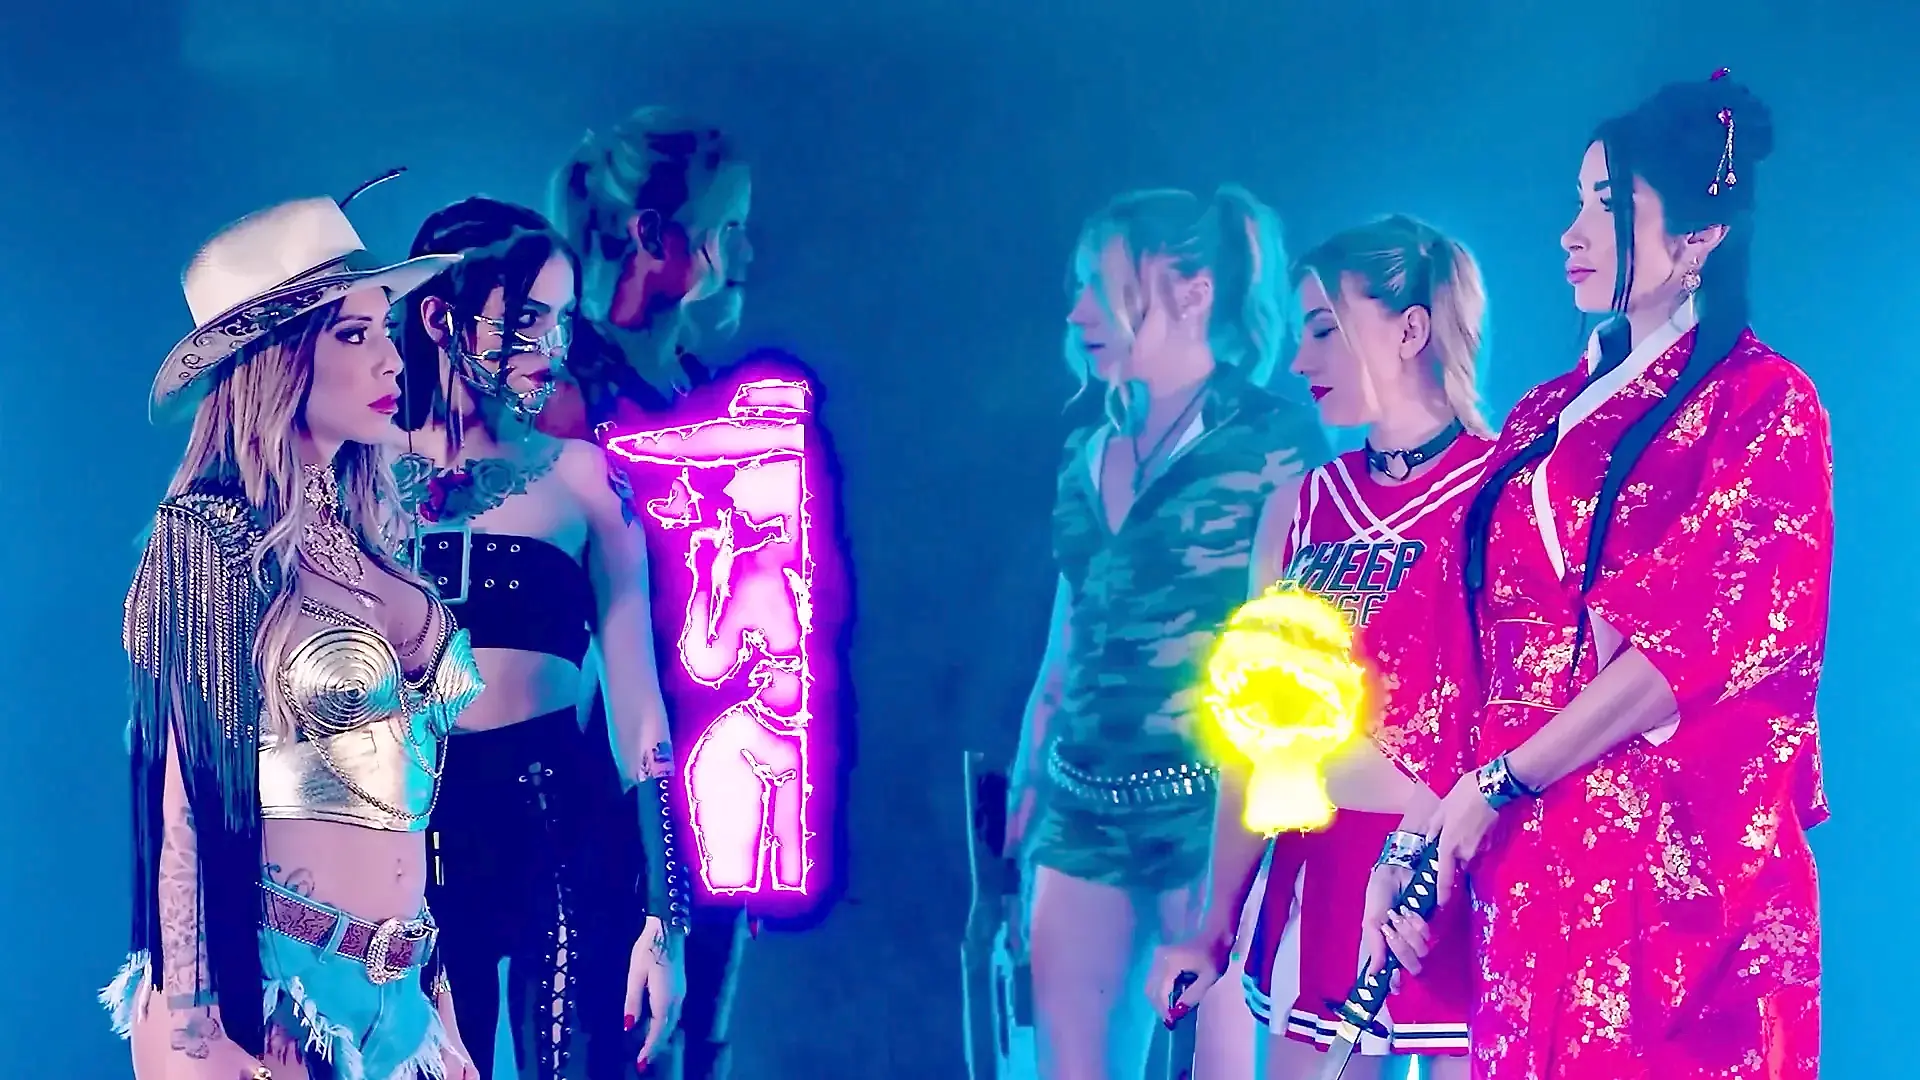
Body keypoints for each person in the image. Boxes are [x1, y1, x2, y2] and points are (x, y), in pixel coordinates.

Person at [1402, 73, 1831, 1079]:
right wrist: (1418, 840)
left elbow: (1689, 650)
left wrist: (1496, 784)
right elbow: (1472, 653)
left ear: (1699, 237)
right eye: (1576, 201)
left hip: (1675, 886)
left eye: (1608, 204)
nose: (1572, 232)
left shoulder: (1764, 407)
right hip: (1525, 863)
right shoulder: (1540, 416)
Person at [100, 193, 484, 1080]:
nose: (391, 357)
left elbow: (416, 807)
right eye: (353, 334)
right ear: (279, 359)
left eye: (384, 328)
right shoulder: (207, 539)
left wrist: (442, 1011)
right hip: (274, 997)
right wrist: (196, 1019)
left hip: (405, 1001)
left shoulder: (372, 544)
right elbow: (183, 795)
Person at [1146, 215, 1494, 1080]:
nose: (1300, 361)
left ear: (1410, 329)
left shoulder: (1507, 488)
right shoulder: (1299, 508)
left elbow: (1522, 710)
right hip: (1320, 877)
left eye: (1325, 330)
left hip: (1461, 879)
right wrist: (1216, 921)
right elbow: (1248, 735)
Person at [1004, 185, 1333, 1079]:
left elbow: (1298, 672)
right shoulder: (1085, 453)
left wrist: (1247, 854)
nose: (1077, 312)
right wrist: (1026, 796)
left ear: (1192, 291)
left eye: (1099, 285)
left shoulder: (1276, 445)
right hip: (1082, 815)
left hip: (1210, 822)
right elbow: (1065, 645)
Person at [392, 196, 687, 1080]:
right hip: (406, 838)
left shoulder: (586, 480)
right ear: (441, 319)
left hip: (559, 821)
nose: (548, 347)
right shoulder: (354, 483)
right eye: (525, 320)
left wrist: (663, 918)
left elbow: (639, 709)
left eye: (561, 319)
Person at [544, 108, 758, 1080]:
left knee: (701, 1047)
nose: (743, 252)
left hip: (726, 773)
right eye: (728, 226)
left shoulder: (700, 387)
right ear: (654, 235)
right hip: (615, 788)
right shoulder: (567, 395)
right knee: (623, 1049)